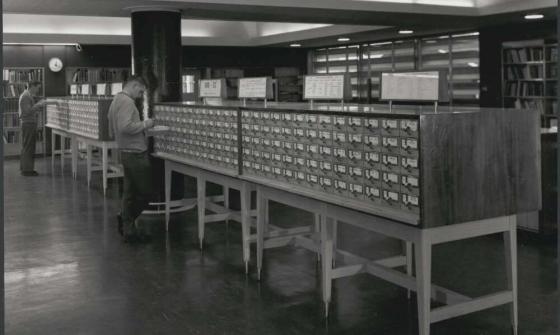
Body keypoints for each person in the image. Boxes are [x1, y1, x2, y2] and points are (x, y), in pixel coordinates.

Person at [108, 75, 155, 243]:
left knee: (129, 193)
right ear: (135, 85)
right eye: (141, 91)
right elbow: (125, 126)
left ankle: (129, 232)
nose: (141, 95)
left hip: (126, 151)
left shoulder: (116, 99)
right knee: (146, 192)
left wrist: (120, 140)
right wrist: (146, 124)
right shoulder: (127, 102)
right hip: (135, 153)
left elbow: (111, 122)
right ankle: (126, 218)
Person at [19, 81, 47, 176]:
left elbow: (29, 110)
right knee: (29, 147)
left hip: (28, 123)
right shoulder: (26, 96)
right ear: (32, 86)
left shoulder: (27, 95)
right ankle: (27, 171)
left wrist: (37, 107)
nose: (38, 90)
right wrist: (39, 104)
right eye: (37, 87)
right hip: (28, 124)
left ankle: (26, 169)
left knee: (27, 146)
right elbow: (27, 111)